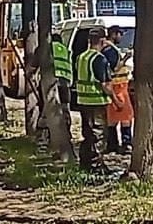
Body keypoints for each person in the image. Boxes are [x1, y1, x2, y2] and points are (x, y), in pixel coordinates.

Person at [74, 29, 117, 173]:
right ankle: (96, 167)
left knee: (88, 134)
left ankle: (85, 164)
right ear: (102, 41)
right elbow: (105, 85)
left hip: (83, 101)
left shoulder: (81, 57)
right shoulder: (99, 59)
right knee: (99, 135)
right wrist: (117, 101)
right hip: (96, 102)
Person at [49, 32, 73, 137]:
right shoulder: (65, 50)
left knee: (50, 107)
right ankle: (67, 131)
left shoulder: (48, 48)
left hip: (52, 81)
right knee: (65, 107)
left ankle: (47, 135)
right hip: (65, 82)